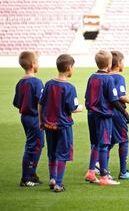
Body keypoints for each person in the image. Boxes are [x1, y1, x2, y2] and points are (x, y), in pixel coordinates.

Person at [84, 50, 129, 186]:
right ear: (110, 63)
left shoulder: (91, 77)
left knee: (95, 144)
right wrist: (125, 113)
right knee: (104, 145)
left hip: (91, 114)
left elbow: (87, 96)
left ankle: (91, 172)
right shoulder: (108, 79)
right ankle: (104, 176)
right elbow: (114, 100)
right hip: (103, 116)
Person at [38, 54, 83, 192]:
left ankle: (52, 178)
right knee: (63, 153)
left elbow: (40, 103)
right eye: (73, 67)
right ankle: (59, 183)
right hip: (63, 126)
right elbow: (72, 108)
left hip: (49, 125)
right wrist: (80, 108)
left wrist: (41, 120)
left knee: (51, 152)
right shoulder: (69, 87)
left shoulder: (49, 84)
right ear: (69, 68)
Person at [13, 51, 44, 187]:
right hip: (34, 118)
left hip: (25, 117)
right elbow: (42, 102)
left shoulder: (20, 82)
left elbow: (16, 102)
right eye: (37, 61)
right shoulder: (36, 82)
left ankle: (32, 173)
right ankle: (26, 178)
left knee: (38, 144)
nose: (39, 64)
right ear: (32, 64)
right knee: (32, 146)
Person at [109, 50, 129, 180]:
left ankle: (98, 164)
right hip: (117, 112)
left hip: (106, 112)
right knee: (123, 140)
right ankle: (123, 171)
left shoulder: (104, 76)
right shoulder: (119, 77)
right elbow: (120, 96)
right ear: (119, 63)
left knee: (110, 140)